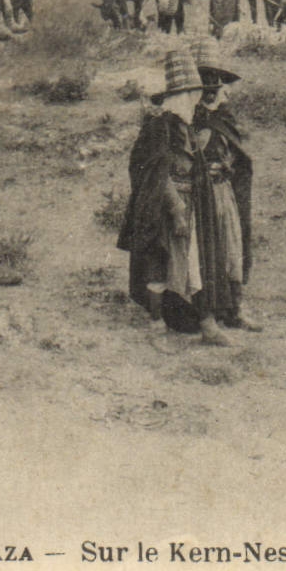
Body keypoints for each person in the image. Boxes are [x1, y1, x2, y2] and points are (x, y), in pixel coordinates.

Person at [116, 51, 231, 346]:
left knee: (196, 263)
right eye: (191, 94)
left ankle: (207, 326)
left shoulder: (186, 126)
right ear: (179, 96)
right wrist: (176, 208)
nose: (196, 100)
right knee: (160, 264)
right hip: (164, 208)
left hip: (193, 206)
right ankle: (156, 326)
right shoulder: (158, 127)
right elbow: (155, 172)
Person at [191, 38, 258, 331]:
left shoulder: (224, 114)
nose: (210, 87)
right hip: (198, 195)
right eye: (204, 79)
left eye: (214, 79)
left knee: (233, 247)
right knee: (206, 253)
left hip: (224, 191)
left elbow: (236, 152)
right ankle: (207, 315)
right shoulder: (185, 116)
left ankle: (235, 309)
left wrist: (229, 164)